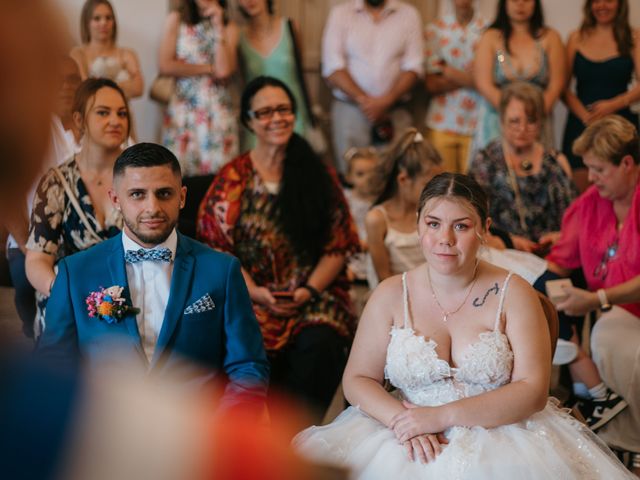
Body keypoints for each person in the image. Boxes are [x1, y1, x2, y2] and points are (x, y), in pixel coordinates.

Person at [294, 172, 634, 479]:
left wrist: (440, 417)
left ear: (484, 229)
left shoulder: (514, 293)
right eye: (433, 223)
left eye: (461, 226)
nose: (445, 239)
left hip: (505, 437)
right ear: (418, 226)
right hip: (404, 433)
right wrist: (406, 422)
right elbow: (357, 379)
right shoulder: (389, 294)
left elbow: (532, 390)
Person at [36, 142, 269, 408]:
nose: (152, 207)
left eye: (164, 193)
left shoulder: (222, 270)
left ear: (182, 197)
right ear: (116, 199)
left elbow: (248, 367)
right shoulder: (75, 272)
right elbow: (53, 367)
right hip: (103, 433)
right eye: (137, 194)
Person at [197, 76, 360, 421]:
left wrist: (307, 290)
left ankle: (298, 440)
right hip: (250, 297)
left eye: (284, 109)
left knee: (322, 343)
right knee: (241, 344)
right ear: (249, 121)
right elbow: (217, 248)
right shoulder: (233, 179)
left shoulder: (317, 173)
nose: (277, 118)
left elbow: (338, 244)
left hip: (312, 297)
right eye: (266, 111)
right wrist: (256, 292)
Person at [546, 115, 640, 464]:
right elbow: (559, 263)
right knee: (601, 331)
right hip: (614, 314)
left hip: (622, 308)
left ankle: (627, 445)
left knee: (610, 332)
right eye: (588, 168)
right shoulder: (590, 203)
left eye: (599, 169)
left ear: (627, 163)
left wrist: (598, 298)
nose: (592, 177)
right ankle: (615, 440)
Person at [26, 78, 129, 335]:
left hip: (131, 296)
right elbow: (37, 259)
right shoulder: (56, 182)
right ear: (80, 120)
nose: (115, 120)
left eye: (122, 113)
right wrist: (62, 292)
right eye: (103, 112)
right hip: (68, 295)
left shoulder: (140, 178)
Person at [4, 55, 82, 339]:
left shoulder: (99, 124)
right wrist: (28, 245)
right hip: (30, 240)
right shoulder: (29, 127)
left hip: (85, 242)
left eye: (72, 79)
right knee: (30, 287)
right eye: (56, 80)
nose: (65, 86)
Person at [469, 81, 576, 253]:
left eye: (531, 121)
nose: (522, 128)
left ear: (541, 121)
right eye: (514, 121)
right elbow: (474, 219)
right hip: (502, 252)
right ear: (502, 120)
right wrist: (510, 241)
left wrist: (559, 237)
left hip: (553, 253)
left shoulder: (557, 162)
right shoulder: (485, 161)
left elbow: (574, 220)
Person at [321, 0, 423, 175]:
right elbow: (332, 66)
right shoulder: (340, 13)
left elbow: (414, 66)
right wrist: (366, 101)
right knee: (352, 177)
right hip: (351, 111)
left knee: (395, 177)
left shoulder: (409, 14)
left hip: (395, 112)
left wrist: (386, 101)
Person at [562, 0, 640, 193]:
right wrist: (586, 117)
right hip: (581, 125)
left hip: (621, 127)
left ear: (620, 4)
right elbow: (562, 88)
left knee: (624, 195)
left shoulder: (633, 38)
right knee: (580, 196)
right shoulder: (576, 38)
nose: (602, 5)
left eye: (609, 0)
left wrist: (612, 106)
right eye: (596, 0)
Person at [473, 0, 564, 158]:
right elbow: (484, 84)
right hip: (498, 119)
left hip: (537, 117)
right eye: (514, 0)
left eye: (526, 0)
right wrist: (511, 115)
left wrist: (532, 118)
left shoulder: (550, 37)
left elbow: (556, 85)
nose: (520, 4)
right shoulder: (492, 37)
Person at [159, 0, 239, 177]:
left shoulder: (229, 26)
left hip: (218, 112)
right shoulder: (177, 19)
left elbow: (224, 70)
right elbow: (165, 65)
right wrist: (209, 68)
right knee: (179, 172)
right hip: (183, 110)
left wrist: (218, 26)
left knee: (219, 174)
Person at [366, 129, 442, 288]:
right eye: (428, 185)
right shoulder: (377, 219)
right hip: (396, 296)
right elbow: (384, 278)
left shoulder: (434, 212)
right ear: (403, 180)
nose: (437, 192)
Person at [236, 0, 311, 152]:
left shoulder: (290, 27)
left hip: (292, 112)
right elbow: (241, 82)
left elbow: (301, 73)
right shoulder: (239, 37)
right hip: (260, 116)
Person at [424, 0, 487, 173]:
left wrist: (449, 71)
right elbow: (431, 83)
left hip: (479, 123)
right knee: (443, 185)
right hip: (442, 121)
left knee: (475, 188)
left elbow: (499, 70)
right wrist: (475, 78)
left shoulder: (490, 30)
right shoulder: (434, 31)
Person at [70, 0, 144, 101]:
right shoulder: (78, 54)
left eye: (108, 18)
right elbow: (84, 88)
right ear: (87, 22)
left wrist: (97, 84)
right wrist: (122, 84)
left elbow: (138, 88)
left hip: (122, 114)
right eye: (97, 18)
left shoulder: (127, 53)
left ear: (114, 22)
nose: (103, 23)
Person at [342, 147, 379, 315]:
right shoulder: (346, 199)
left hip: (375, 252)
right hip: (353, 251)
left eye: (373, 173)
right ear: (349, 177)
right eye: (360, 174)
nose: (368, 179)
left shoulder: (381, 200)